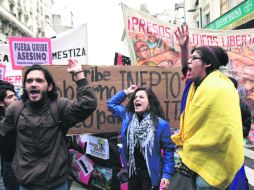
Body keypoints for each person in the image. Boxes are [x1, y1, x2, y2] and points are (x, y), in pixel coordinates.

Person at [0, 59, 97, 190]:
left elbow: (88, 104)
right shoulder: (15, 109)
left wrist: (79, 74)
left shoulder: (59, 106)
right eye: (29, 81)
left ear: (49, 86)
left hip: (56, 183)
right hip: (26, 183)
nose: (33, 84)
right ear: (25, 87)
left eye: (39, 81)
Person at [172, 25, 245, 190]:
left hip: (215, 164)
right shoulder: (194, 84)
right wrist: (183, 47)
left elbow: (225, 130)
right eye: (189, 58)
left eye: (194, 57)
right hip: (194, 160)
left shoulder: (220, 87)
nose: (189, 61)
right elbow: (186, 69)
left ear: (207, 64)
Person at [107, 84, 175, 190]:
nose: (136, 99)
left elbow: (169, 150)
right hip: (132, 172)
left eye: (141, 97)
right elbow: (111, 104)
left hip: (150, 175)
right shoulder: (127, 116)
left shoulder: (161, 125)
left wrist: (166, 174)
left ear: (150, 103)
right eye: (135, 97)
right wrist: (126, 92)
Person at [0, 80, 19, 190]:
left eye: (15, 95)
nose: (15, 98)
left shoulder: (20, 113)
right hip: (11, 166)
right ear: (1, 103)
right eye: (10, 96)